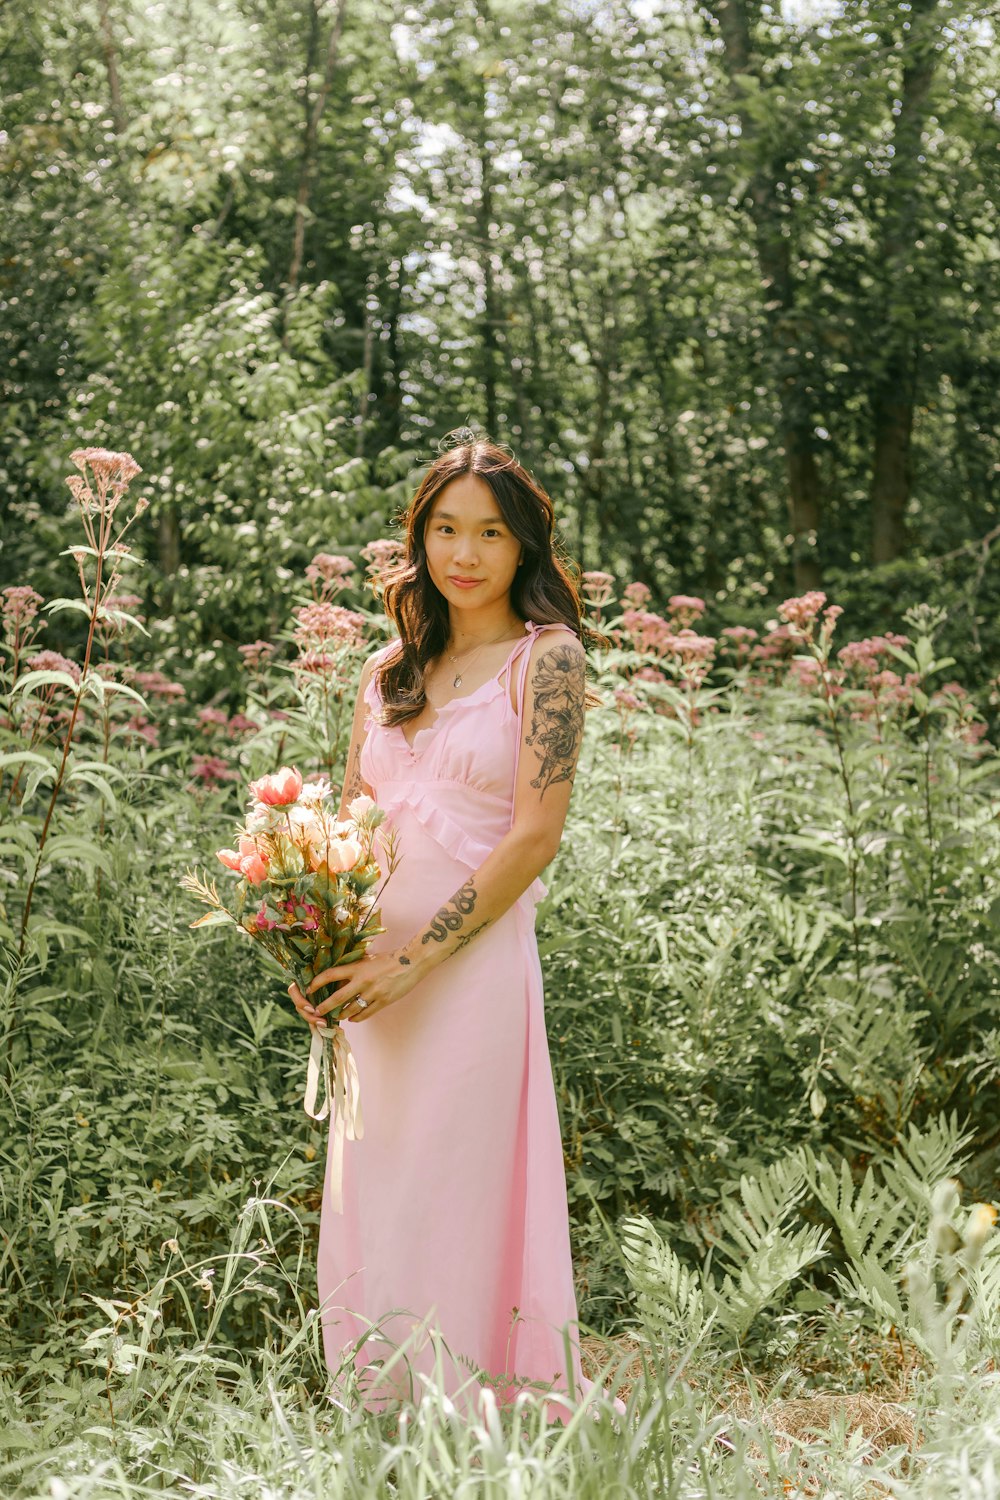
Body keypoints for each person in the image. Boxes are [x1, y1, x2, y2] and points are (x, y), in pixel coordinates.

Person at [288, 431, 603, 1420]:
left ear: (524, 549)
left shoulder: (544, 662)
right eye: (445, 529)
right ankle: (379, 1406)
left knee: (453, 1188)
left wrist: (417, 961)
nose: (464, 554)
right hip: (369, 978)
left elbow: (533, 838)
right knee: (376, 1186)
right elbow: (343, 825)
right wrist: (319, 951)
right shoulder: (388, 669)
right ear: (419, 539)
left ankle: (471, 1410)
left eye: (490, 534)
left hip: (463, 976)